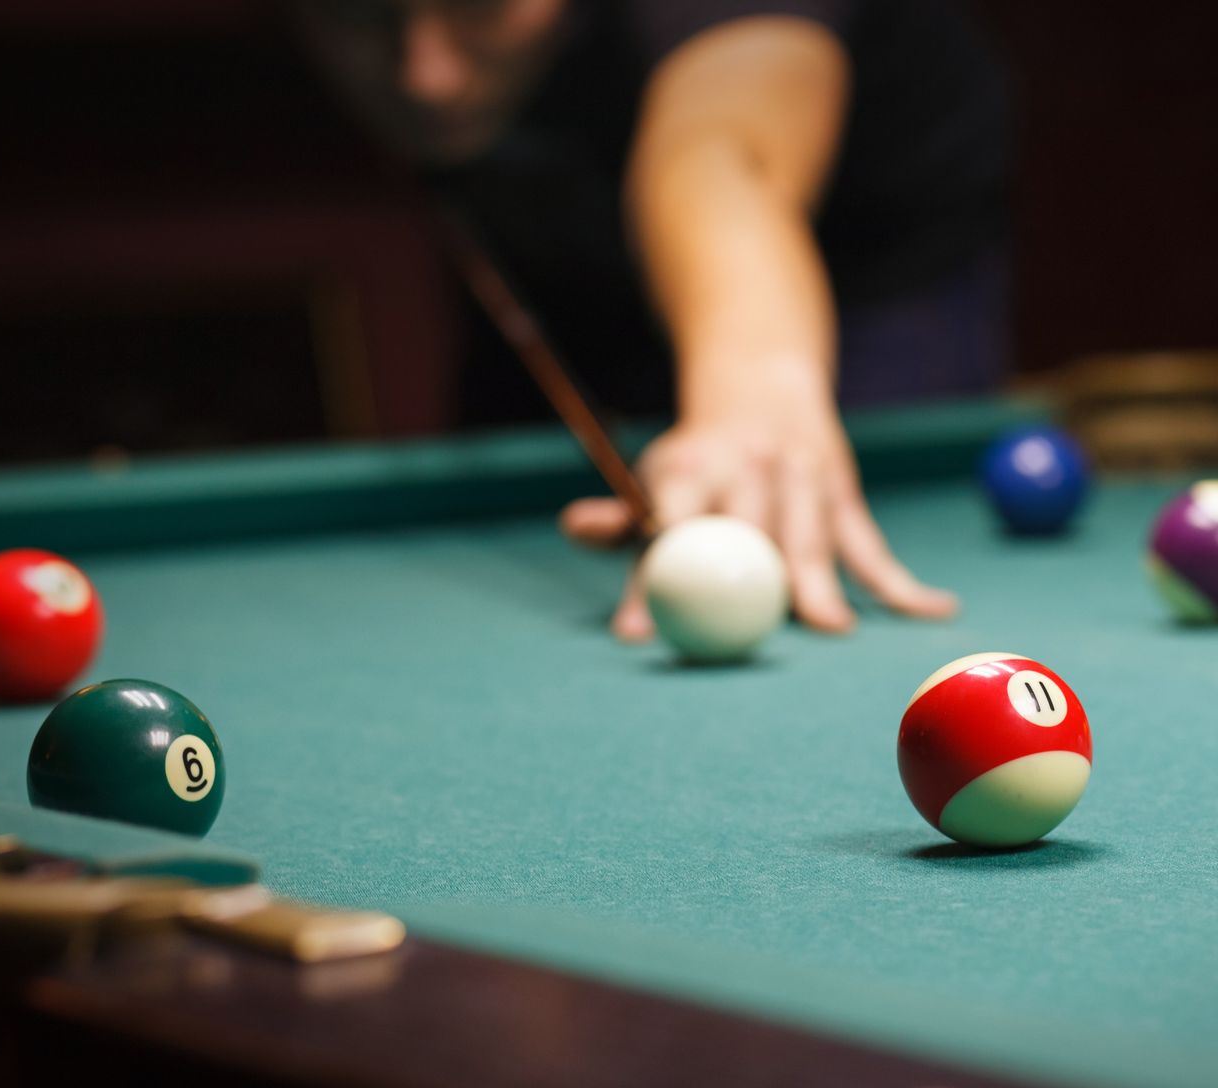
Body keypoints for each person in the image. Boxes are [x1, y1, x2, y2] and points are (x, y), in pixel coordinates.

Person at [293, 0, 1012, 640]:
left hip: (863, 264)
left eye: (479, 8)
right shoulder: (460, 74)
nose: (428, 75)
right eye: (362, 14)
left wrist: (753, 378)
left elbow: (723, 153)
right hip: (569, 263)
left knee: (793, 495)